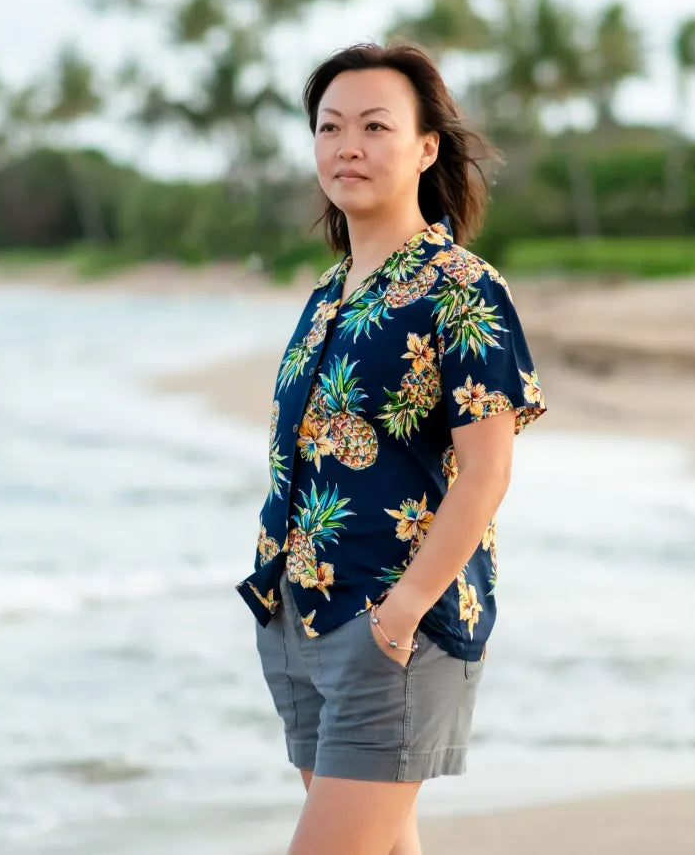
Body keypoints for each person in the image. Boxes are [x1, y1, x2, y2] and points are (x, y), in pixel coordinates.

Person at [237, 42, 547, 855]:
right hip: (301, 617)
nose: (348, 146)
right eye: (330, 127)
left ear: (425, 147)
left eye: (376, 126)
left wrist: (402, 611)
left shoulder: (463, 289)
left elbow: (488, 471)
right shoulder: (327, 294)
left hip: (395, 621)